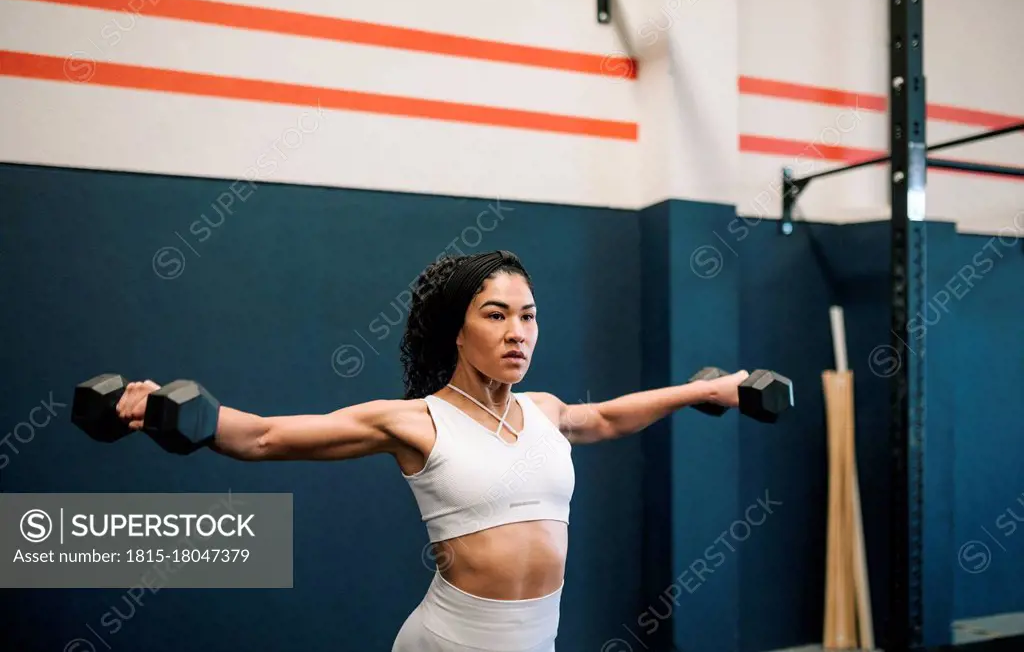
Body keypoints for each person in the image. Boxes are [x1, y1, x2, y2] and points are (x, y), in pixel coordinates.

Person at [114, 249, 749, 652]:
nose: (517, 334)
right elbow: (264, 437)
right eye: (496, 316)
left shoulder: (545, 411)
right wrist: (178, 411)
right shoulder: (416, 422)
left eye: (527, 317)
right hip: (449, 641)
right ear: (456, 330)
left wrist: (705, 391)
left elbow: (609, 416)